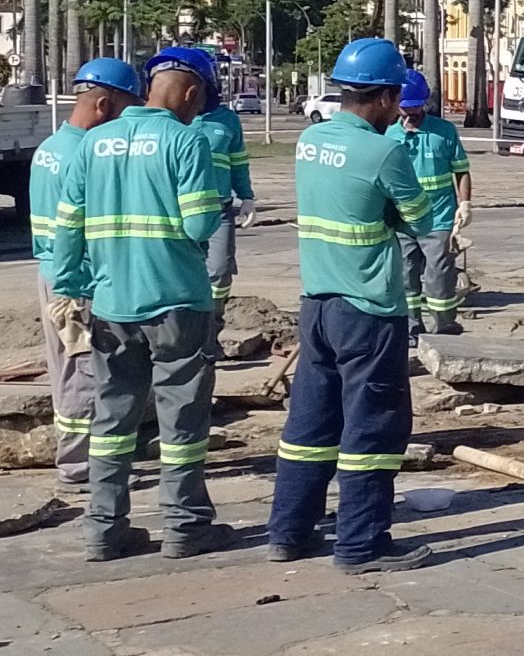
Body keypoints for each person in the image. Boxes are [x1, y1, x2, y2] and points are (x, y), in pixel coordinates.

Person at [45, 47, 230, 560]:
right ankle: (185, 527)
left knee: (112, 418)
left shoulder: (93, 144)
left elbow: (68, 227)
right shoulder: (186, 142)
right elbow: (199, 225)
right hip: (176, 303)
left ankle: (104, 530)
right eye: (200, 102)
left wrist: (70, 287)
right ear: (191, 94)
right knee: (183, 420)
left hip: (110, 304)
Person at [267, 38, 432, 574]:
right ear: (384, 98)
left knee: (310, 424)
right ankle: (360, 544)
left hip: (317, 304)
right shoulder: (384, 151)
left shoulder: (310, 141)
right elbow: (422, 220)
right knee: (373, 428)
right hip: (369, 310)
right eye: (395, 99)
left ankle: (288, 532)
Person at [32, 59, 142, 491]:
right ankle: (81, 467)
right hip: (78, 279)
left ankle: (80, 458)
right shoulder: (85, 154)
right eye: (123, 108)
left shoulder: (51, 148)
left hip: (53, 273)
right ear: (102, 103)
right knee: (86, 371)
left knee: (66, 370)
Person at [389, 71, 472, 336]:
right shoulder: (389, 135)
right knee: (405, 277)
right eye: (405, 106)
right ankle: (412, 328)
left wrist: (465, 203)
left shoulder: (443, 132)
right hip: (402, 220)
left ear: (424, 102)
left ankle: (445, 326)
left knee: (439, 277)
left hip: (438, 218)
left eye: (415, 106)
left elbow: (461, 170)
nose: (410, 112)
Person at [196, 76, 255, 324]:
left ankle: (213, 324)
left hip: (220, 210)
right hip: (179, 212)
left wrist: (247, 197)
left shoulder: (227, 119)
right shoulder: (173, 118)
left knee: (220, 270)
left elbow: (238, 162)